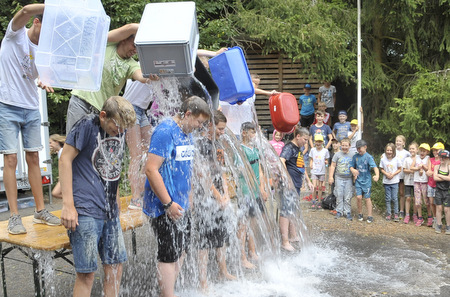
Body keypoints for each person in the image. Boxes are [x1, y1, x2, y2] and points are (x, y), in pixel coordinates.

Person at [59, 96, 136, 297]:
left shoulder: (120, 128)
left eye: (122, 129)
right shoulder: (86, 125)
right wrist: (68, 206)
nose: (119, 132)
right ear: (103, 116)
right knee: (87, 274)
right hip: (85, 210)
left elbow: (113, 164)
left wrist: (117, 197)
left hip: (109, 210)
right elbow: (65, 159)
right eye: (116, 127)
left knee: (115, 267)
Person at [0, 4, 61, 235]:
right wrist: (56, 8)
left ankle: (40, 211)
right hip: (7, 105)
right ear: (37, 23)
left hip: (31, 108)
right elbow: (25, 10)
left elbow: (40, 75)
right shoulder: (15, 34)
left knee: (34, 157)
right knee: (11, 159)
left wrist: (43, 81)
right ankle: (15, 216)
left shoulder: (45, 50)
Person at [143, 96, 211, 297]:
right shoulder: (165, 132)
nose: (199, 127)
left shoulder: (186, 132)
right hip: (163, 205)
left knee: (181, 249)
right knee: (169, 254)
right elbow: (151, 170)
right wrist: (168, 203)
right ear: (188, 114)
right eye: (198, 122)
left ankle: (168, 289)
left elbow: (185, 168)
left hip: (181, 204)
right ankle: (167, 294)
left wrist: (188, 197)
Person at [66, 23, 158, 134]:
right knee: (73, 142)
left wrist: (152, 76)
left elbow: (142, 76)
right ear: (123, 39)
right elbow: (130, 27)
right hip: (81, 100)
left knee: (94, 149)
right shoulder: (107, 45)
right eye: (134, 45)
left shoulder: (131, 64)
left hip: (102, 112)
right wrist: (153, 29)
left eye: (138, 48)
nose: (135, 50)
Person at [193, 110, 236, 292]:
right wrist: (217, 196)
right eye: (219, 128)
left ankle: (223, 271)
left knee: (221, 236)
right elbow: (202, 174)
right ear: (209, 125)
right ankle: (202, 281)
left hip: (219, 197)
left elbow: (222, 172)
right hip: (204, 198)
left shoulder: (217, 144)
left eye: (223, 129)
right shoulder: (201, 145)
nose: (222, 132)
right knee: (204, 242)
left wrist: (225, 193)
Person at [237, 122, 269, 269]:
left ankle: (252, 251)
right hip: (245, 192)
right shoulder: (240, 150)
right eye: (251, 132)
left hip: (256, 191)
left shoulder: (254, 150)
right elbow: (242, 172)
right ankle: (242, 257)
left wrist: (262, 188)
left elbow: (260, 171)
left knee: (253, 222)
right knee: (243, 225)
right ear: (244, 133)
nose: (254, 135)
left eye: (254, 132)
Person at [122, 79, 154, 209]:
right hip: (128, 108)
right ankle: (135, 198)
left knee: (150, 153)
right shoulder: (142, 66)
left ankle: (141, 192)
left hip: (142, 111)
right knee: (136, 155)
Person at [280, 127, 313, 250]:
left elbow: (301, 166)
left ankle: (293, 235)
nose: (306, 142)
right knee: (286, 211)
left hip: (296, 184)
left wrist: (308, 181)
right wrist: (287, 179)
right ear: (298, 136)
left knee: (293, 210)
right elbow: (281, 160)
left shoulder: (298, 149)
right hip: (289, 185)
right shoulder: (289, 148)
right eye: (305, 139)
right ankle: (284, 241)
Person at [219, 73, 279, 138]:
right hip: (230, 130)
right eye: (254, 83)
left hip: (245, 131)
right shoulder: (233, 92)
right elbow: (251, 90)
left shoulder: (252, 96)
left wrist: (255, 124)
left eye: (257, 84)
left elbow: (250, 112)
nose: (256, 86)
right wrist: (268, 93)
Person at [350, 139, 379, 223]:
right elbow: (351, 166)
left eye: (360, 148)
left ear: (365, 147)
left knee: (367, 198)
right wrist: (353, 170)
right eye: (357, 148)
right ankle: (360, 213)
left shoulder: (369, 157)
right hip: (358, 181)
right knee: (358, 197)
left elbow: (375, 167)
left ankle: (370, 215)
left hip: (366, 181)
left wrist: (377, 175)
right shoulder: (355, 157)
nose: (359, 150)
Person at [329, 138, 354, 220]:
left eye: (346, 145)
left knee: (347, 195)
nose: (344, 147)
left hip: (349, 178)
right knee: (339, 194)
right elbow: (332, 166)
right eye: (343, 145)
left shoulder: (353, 155)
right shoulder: (337, 155)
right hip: (339, 177)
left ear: (349, 146)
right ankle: (339, 210)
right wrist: (330, 177)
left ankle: (347, 211)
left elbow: (356, 165)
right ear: (340, 145)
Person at [379, 143, 402, 222]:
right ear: (385, 151)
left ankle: (396, 214)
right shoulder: (383, 158)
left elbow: (399, 168)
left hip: (394, 181)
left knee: (394, 198)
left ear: (393, 151)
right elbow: (381, 169)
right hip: (386, 181)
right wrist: (386, 174)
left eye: (390, 150)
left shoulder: (396, 159)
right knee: (388, 198)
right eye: (387, 150)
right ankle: (388, 213)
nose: (389, 152)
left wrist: (393, 174)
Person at [411, 143, 430, 227]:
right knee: (418, 201)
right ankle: (420, 217)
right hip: (416, 181)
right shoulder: (416, 157)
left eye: (424, 151)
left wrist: (423, 167)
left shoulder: (428, 158)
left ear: (427, 152)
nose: (422, 152)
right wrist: (418, 168)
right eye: (421, 151)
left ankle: (430, 217)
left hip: (425, 182)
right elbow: (411, 168)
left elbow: (429, 169)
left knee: (426, 201)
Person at [309, 134, 330, 209]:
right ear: (314, 142)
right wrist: (311, 164)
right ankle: (313, 200)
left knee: (320, 187)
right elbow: (311, 159)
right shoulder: (312, 150)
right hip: (314, 170)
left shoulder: (325, 151)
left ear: (322, 142)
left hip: (322, 171)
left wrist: (326, 163)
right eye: (317, 142)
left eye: (320, 142)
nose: (318, 143)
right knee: (314, 186)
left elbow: (326, 159)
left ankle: (319, 201)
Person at [426, 142, 445, 227]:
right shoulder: (431, 160)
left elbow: (440, 173)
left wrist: (433, 173)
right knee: (431, 202)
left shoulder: (443, 161)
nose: (435, 152)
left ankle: (439, 219)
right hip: (430, 184)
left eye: (437, 150)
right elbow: (428, 172)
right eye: (434, 150)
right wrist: (433, 173)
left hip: (439, 185)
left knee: (438, 203)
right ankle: (434, 218)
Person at [433, 150, 450, 234]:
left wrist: (439, 175)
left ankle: (448, 226)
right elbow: (435, 178)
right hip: (438, 190)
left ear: (448, 158)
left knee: (447, 209)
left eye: (445, 157)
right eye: (441, 157)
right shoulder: (437, 167)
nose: (442, 159)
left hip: (447, 191)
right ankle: (439, 224)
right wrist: (444, 177)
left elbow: (449, 178)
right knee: (439, 208)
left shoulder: (449, 167)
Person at [394, 135, 411, 221]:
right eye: (397, 141)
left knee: (401, 193)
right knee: (394, 193)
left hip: (402, 176)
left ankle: (401, 210)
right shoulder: (393, 151)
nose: (398, 142)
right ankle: (394, 210)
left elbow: (413, 159)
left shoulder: (407, 153)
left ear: (404, 143)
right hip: (394, 175)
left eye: (400, 141)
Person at [402, 142, 418, 224]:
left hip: (417, 181)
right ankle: (407, 214)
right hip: (408, 181)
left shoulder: (419, 159)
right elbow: (404, 170)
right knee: (408, 198)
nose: (411, 150)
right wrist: (411, 171)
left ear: (417, 150)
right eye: (410, 149)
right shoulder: (407, 159)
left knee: (416, 199)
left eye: (413, 148)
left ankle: (415, 215)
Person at [49, 134, 66, 199]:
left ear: (56, 142)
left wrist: (61, 177)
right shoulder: (61, 151)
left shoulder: (62, 152)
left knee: (55, 193)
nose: (49, 145)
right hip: (64, 177)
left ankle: (74, 200)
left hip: (65, 177)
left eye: (50, 143)